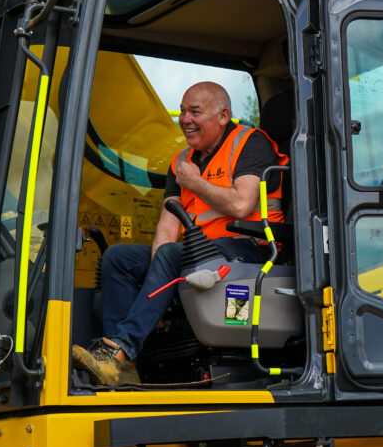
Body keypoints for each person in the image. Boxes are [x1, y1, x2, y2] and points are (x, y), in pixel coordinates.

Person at [72, 81, 287, 386]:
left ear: (223, 115)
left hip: (250, 249)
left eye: (194, 112)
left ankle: (119, 351)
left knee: (175, 254)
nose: (184, 119)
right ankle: (121, 368)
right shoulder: (182, 162)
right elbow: (168, 224)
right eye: (182, 111)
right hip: (201, 253)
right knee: (118, 258)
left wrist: (196, 183)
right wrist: (155, 283)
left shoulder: (249, 143)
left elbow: (241, 205)